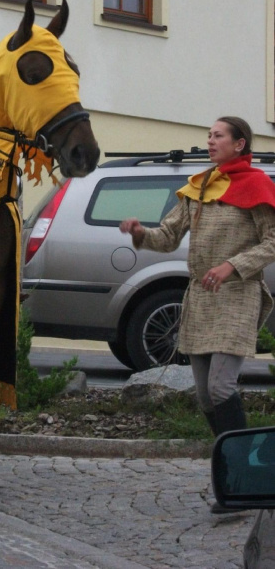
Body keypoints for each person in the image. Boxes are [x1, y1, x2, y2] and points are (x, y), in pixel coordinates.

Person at [120, 116, 275, 508]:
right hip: (202, 298)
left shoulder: (257, 185)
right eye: (208, 135)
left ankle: (243, 479)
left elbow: (273, 241)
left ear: (239, 144)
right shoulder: (199, 187)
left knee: (221, 388)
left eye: (218, 135)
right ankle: (235, 474)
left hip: (237, 295)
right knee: (206, 398)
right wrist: (140, 233)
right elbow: (167, 236)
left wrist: (232, 265)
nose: (209, 140)